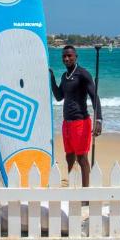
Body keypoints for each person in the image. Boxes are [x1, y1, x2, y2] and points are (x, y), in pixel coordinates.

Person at [49, 45, 102, 187]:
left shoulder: (83, 74)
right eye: (64, 56)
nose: (66, 58)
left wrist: (99, 119)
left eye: (69, 56)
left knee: (82, 158)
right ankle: (73, 186)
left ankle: (85, 196)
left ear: (76, 57)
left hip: (81, 122)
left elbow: (94, 97)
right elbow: (59, 97)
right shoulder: (64, 77)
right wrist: (52, 79)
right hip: (66, 123)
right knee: (69, 156)